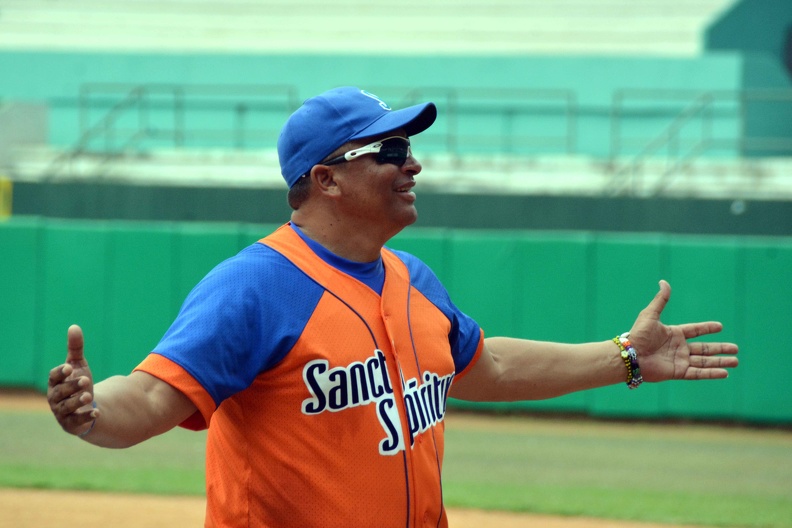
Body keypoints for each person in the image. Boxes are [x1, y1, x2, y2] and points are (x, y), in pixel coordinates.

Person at [47, 86, 739, 528]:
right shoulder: (253, 286)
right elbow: (149, 395)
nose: (413, 164)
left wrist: (625, 357)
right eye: (392, 148)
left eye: (411, 147)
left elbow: (485, 365)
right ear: (326, 179)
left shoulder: (414, 278)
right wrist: (91, 411)